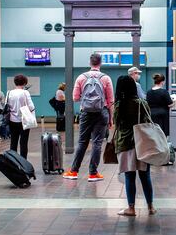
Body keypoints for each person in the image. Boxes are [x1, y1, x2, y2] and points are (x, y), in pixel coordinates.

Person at [63, 53, 114, 182]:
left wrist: (86, 100)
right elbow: (111, 101)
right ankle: (93, 173)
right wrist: (111, 118)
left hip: (85, 112)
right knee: (97, 142)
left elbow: (75, 98)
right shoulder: (106, 78)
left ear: (90, 63)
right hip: (102, 112)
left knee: (82, 142)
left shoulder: (81, 77)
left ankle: (74, 171)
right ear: (100, 63)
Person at [114, 75, 157, 217]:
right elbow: (148, 120)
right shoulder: (142, 103)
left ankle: (131, 208)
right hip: (142, 143)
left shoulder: (119, 104)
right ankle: (150, 207)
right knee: (145, 175)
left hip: (126, 144)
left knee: (129, 176)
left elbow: (117, 123)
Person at [6, 75, 36, 158]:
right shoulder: (25, 92)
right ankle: (23, 162)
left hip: (12, 120)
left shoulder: (9, 92)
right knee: (23, 143)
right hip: (24, 121)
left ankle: (13, 161)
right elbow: (31, 107)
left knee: (13, 142)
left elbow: (7, 105)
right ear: (24, 83)